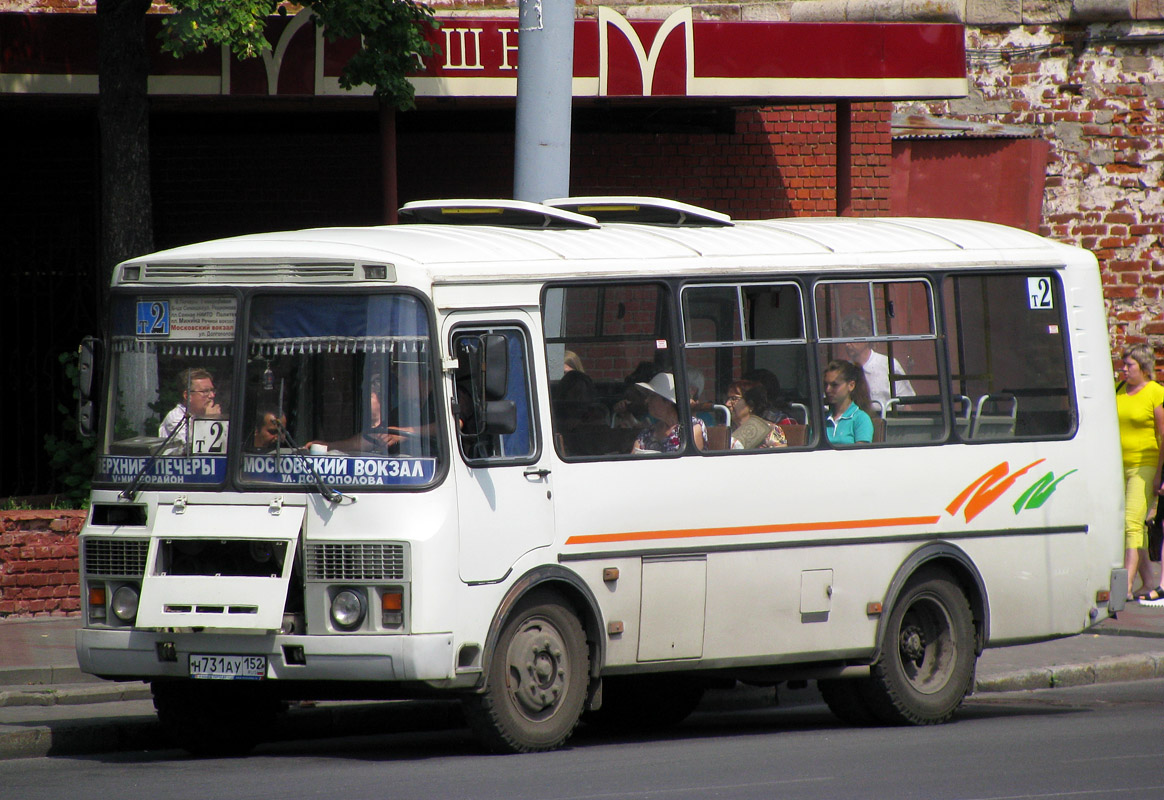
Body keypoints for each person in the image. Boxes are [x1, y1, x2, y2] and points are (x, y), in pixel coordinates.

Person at [1115, 345, 1164, 601]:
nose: (1123, 369)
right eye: (1123, 364)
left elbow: (1163, 434)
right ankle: (1148, 582)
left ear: (1144, 369)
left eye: (1129, 365)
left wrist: (1160, 474)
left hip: (1144, 465)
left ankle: (1125, 587)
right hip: (1118, 466)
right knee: (1137, 527)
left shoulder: (1156, 392)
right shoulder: (1120, 390)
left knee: (1131, 524)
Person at [841, 316, 915, 412]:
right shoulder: (844, 370)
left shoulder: (888, 364)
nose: (847, 344)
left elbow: (906, 403)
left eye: (852, 338)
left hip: (888, 420)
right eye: (845, 338)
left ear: (866, 339)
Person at [631, 372, 707, 454]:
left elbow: (690, 462)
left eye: (652, 396)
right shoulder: (647, 433)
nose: (647, 400)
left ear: (668, 401)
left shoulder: (692, 428)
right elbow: (632, 460)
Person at [158, 367, 221, 444]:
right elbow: (192, 447)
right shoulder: (175, 418)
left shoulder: (204, 414)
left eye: (212, 390)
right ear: (187, 396)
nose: (212, 395)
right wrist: (208, 420)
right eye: (205, 391)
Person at [824, 359, 874, 445]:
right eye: (826, 384)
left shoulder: (861, 419)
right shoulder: (822, 419)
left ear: (851, 385)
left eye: (834, 385)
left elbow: (861, 454)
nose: (827, 390)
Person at [725, 380, 787, 449]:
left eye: (734, 399)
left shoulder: (769, 430)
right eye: (728, 399)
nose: (727, 404)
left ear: (751, 404)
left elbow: (780, 457)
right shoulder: (725, 430)